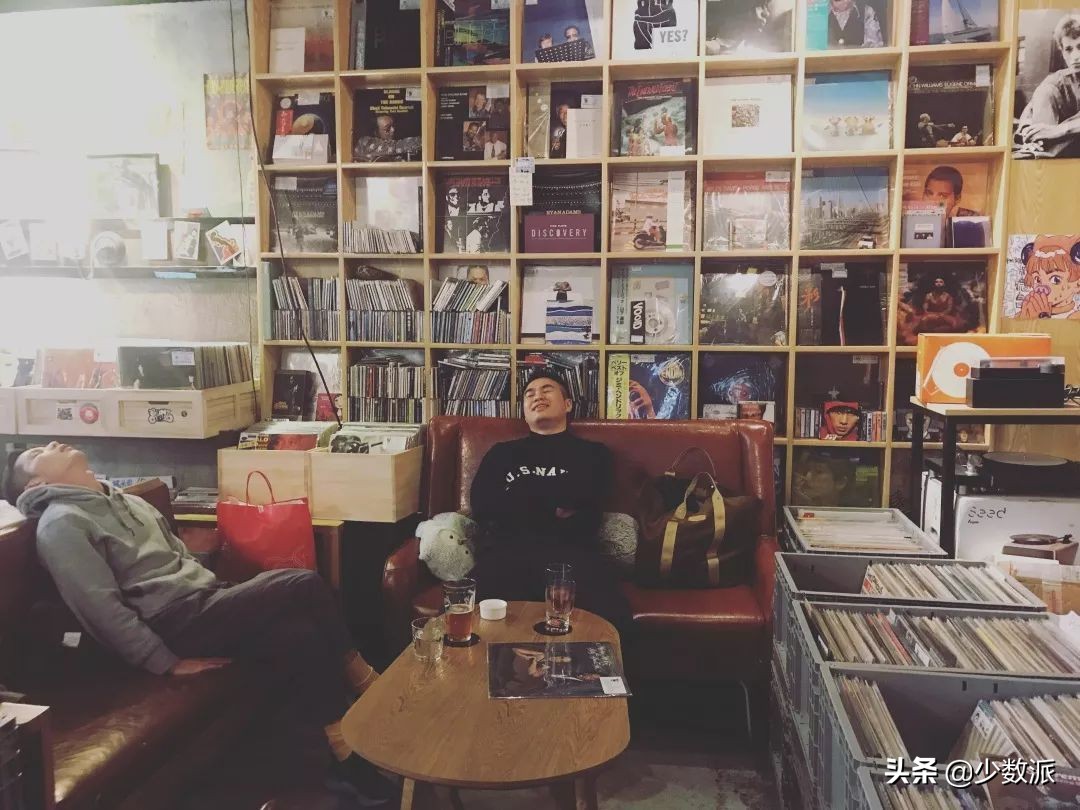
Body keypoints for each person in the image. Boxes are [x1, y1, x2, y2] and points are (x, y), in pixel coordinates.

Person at [3, 443, 397, 806]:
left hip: (206, 603)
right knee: (303, 584)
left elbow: (181, 557)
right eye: (37, 453)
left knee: (298, 636)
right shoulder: (61, 524)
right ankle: (368, 686)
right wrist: (165, 662)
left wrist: (224, 595)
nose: (52, 444)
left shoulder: (128, 501)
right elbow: (100, 609)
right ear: (37, 485)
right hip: (171, 622)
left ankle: (345, 763)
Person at [467, 374, 632, 635]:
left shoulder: (594, 454)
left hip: (572, 554)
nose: (538, 396)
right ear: (523, 409)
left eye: (547, 390)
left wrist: (520, 498)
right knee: (464, 615)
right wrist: (553, 505)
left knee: (614, 619)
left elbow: (588, 507)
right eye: (530, 393)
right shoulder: (501, 454)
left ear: (567, 404)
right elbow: (483, 506)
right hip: (507, 552)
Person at [1016, 14, 1080, 158]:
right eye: (1068, 49)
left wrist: (1059, 130)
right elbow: (1030, 112)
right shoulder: (1055, 83)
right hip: (1062, 153)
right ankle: (1040, 150)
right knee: (1047, 90)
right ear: (1062, 52)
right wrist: (1030, 131)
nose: (1076, 56)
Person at [1017, 234, 1080, 319]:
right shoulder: (1023, 315)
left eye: (1055, 279)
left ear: (1078, 284)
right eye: (1037, 279)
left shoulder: (1075, 317)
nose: (1042, 287)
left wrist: (1043, 316)